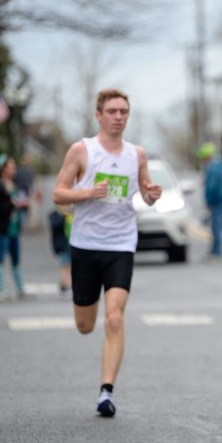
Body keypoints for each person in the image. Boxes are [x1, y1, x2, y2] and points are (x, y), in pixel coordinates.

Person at [52, 88, 162, 418]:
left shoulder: (136, 154)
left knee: (115, 317)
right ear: (98, 115)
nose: (118, 116)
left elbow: (145, 191)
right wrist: (88, 192)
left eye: (123, 111)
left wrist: (152, 194)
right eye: (112, 111)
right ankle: (89, 318)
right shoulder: (81, 150)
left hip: (121, 244)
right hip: (86, 245)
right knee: (85, 325)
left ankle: (106, 392)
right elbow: (58, 193)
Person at [0, 154, 32, 302]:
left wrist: (22, 204)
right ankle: (0, 291)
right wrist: (13, 204)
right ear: (3, 169)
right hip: (2, 228)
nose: (14, 169)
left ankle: (20, 289)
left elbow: (19, 199)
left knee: (16, 260)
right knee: (0, 259)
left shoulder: (15, 184)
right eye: (11, 166)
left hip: (14, 228)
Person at [197, 141, 222, 259]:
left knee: (216, 226)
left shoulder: (213, 166)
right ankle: (215, 250)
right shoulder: (218, 164)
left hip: (216, 200)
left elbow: (212, 186)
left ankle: (217, 251)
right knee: (215, 226)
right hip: (218, 199)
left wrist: (209, 200)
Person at [48, 204, 72, 298]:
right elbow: (55, 226)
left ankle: (63, 285)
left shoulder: (71, 215)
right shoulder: (54, 215)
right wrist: (64, 216)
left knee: (68, 267)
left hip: (69, 246)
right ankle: (65, 287)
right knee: (65, 267)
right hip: (61, 246)